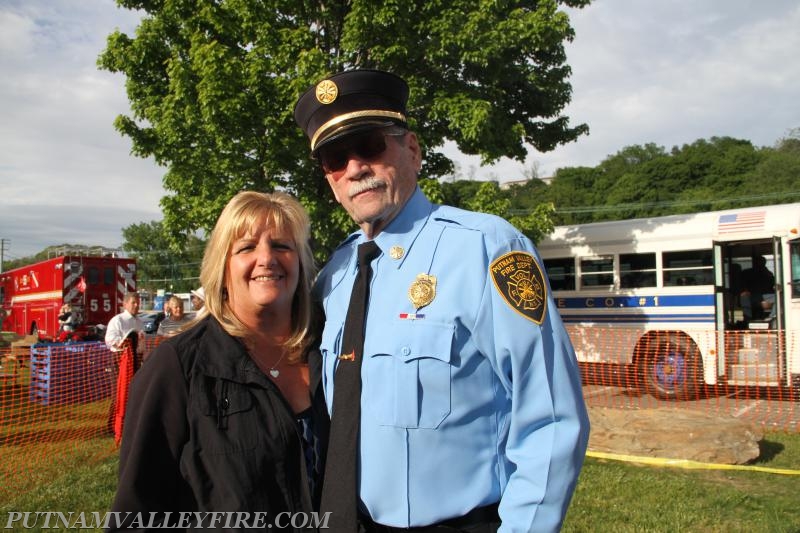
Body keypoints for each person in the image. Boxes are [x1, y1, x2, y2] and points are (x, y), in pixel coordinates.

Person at [294, 69, 590, 533]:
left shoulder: (488, 248)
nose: (354, 168)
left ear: (411, 150)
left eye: (370, 145)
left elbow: (551, 418)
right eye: (335, 157)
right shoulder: (335, 274)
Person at [108, 191, 324, 531]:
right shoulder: (178, 365)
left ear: (300, 261)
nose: (267, 258)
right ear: (222, 267)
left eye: (282, 245)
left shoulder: (330, 350)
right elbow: (136, 511)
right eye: (247, 247)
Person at [740, 254, 776, 322]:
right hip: (753, 296)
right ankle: (748, 319)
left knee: (780, 297)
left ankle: (771, 317)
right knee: (744, 297)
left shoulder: (768, 273)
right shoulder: (747, 273)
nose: (759, 264)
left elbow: (773, 285)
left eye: (762, 262)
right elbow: (742, 286)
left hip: (765, 296)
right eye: (758, 262)